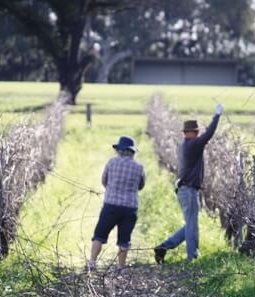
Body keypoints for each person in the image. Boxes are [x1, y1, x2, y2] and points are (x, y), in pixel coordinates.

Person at [154, 103, 224, 264]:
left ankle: (163, 247)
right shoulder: (193, 145)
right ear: (190, 133)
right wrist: (217, 116)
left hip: (185, 189)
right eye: (196, 131)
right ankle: (191, 257)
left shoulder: (186, 145)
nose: (198, 134)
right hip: (189, 190)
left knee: (191, 225)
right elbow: (209, 135)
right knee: (192, 226)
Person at [88, 136, 145, 271]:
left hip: (111, 206)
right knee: (124, 240)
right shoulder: (139, 167)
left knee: (99, 235)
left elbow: (104, 181)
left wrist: (113, 188)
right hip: (130, 208)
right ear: (132, 152)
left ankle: (92, 263)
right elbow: (141, 186)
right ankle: (121, 267)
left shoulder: (111, 163)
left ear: (119, 150)